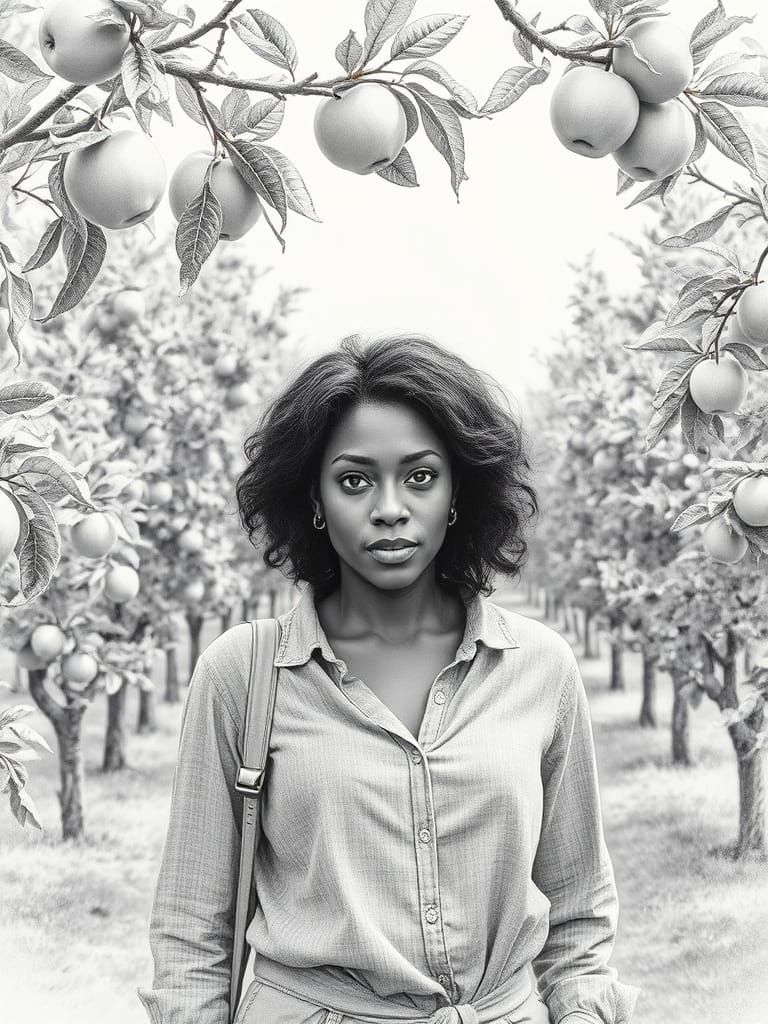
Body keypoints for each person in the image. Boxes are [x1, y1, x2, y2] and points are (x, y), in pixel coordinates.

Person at [137, 332, 641, 1024]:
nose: (390, 507)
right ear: (312, 498)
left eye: (420, 476)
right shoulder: (241, 675)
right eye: (353, 480)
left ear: (458, 490)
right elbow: (192, 931)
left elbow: (579, 910)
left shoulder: (542, 669)